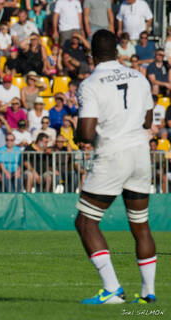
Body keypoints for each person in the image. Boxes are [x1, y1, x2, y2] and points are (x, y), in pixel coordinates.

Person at [74, 29, 156, 304]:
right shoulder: (139, 77)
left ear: (92, 54)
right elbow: (147, 120)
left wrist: (77, 135)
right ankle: (148, 293)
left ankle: (112, 289)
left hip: (113, 154)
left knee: (86, 222)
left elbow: (86, 133)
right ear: (118, 52)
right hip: (141, 153)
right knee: (141, 225)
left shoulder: (91, 83)